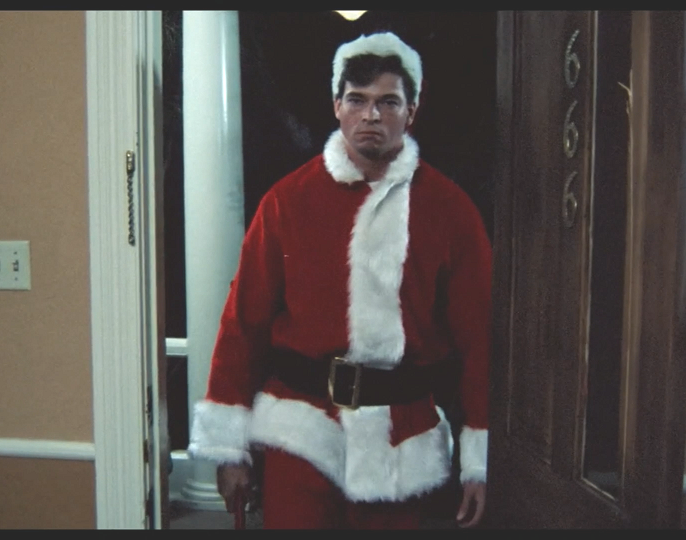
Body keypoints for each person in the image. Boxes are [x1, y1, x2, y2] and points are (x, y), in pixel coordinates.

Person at [187, 31, 491, 529]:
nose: (371, 115)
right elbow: (243, 325)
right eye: (357, 100)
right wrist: (230, 448)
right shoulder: (286, 202)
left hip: (402, 443)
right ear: (336, 106)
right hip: (300, 436)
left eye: (388, 102)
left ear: (411, 112)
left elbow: (480, 339)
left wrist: (479, 460)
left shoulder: (451, 210)